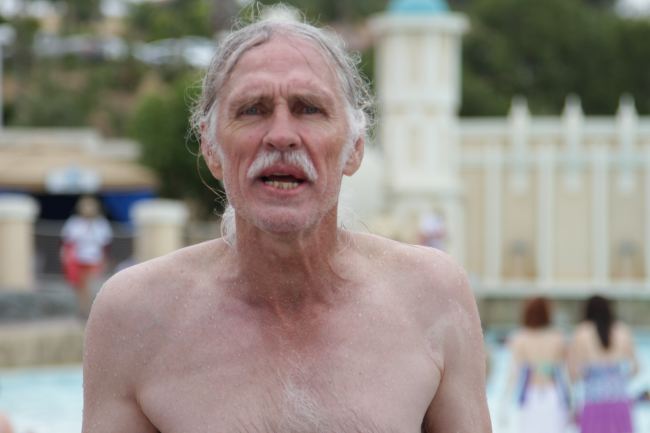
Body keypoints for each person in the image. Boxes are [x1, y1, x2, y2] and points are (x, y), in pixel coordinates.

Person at [81, 6, 491, 433]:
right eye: (252, 110)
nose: (280, 135)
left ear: (354, 147)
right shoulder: (134, 318)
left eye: (309, 108)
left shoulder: (432, 297)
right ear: (211, 147)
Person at [568, 295, 638, 433]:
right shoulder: (622, 330)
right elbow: (635, 368)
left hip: (593, 403)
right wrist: (615, 376)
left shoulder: (582, 332)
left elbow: (573, 374)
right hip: (620, 402)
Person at [501, 297, 570, 433]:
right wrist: (570, 402)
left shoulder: (520, 338)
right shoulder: (557, 337)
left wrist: (504, 404)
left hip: (530, 395)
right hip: (553, 395)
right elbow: (564, 374)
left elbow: (513, 374)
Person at [60, 195, 112, 316]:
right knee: (80, 285)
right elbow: (68, 241)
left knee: (90, 284)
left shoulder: (100, 224)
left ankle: (90, 309)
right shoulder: (74, 223)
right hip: (77, 258)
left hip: (94, 258)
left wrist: (105, 259)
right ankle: (83, 308)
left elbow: (105, 244)